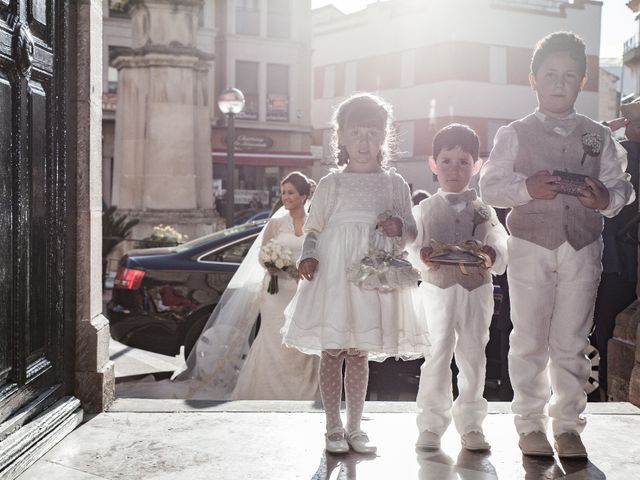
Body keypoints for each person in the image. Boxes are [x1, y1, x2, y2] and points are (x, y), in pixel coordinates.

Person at [479, 31, 635, 459]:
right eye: (550, 74)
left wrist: (604, 198)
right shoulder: (515, 133)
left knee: (571, 339)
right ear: (533, 80)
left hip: (583, 248)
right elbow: (490, 185)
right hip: (530, 245)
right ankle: (529, 423)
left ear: (582, 82)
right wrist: (526, 187)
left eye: (569, 75)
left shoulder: (598, 135)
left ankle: (567, 425)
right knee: (528, 337)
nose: (559, 83)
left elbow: (621, 187)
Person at [281, 93, 429, 455]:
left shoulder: (394, 184)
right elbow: (313, 230)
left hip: (372, 277)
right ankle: (332, 426)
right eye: (356, 133)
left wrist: (399, 227)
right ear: (342, 138)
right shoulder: (332, 184)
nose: (364, 141)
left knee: (359, 352)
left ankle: (356, 427)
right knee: (333, 350)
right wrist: (309, 257)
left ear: (384, 138)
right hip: (335, 275)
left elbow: (411, 231)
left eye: (372, 133)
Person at [411, 124, 508, 452]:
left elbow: (499, 243)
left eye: (463, 162)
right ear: (433, 164)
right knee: (435, 355)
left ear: (476, 165)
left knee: (473, 355)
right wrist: (421, 255)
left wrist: (493, 254)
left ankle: (471, 425)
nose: (455, 169)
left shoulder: (485, 210)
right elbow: (411, 246)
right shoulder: (424, 209)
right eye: (447, 161)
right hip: (436, 290)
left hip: (475, 290)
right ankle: (431, 424)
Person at [231, 172, 320, 400]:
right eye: (283, 193)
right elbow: (262, 255)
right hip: (276, 292)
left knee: (300, 342)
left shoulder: (316, 225)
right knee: (273, 340)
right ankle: (263, 392)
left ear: (303, 195)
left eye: (290, 193)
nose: (286, 197)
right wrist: (272, 264)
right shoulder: (275, 224)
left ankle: (302, 394)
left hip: (305, 293)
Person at [592, 106, 640, 400]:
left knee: (606, 334)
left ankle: (605, 394)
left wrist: (608, 126)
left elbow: (584, 143)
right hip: (626, 262)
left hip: (613, 262)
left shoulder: (620, 151)